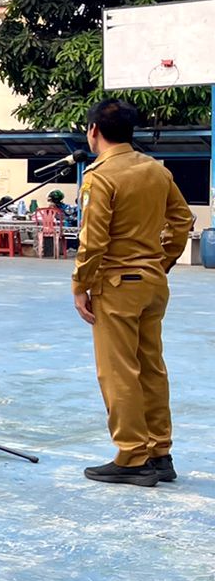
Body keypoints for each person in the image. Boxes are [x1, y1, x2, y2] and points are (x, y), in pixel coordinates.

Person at [71, 99, 194, 486]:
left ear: (93, 131)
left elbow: (93, 241)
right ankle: (160, 453)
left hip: (118, 285)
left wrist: (81, 285)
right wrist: (163, 261)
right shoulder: (155, 170)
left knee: (119, 371)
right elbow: (182, 219)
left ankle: (132, 455)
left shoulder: (100, 176)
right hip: (153, 284)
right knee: (151, 367)